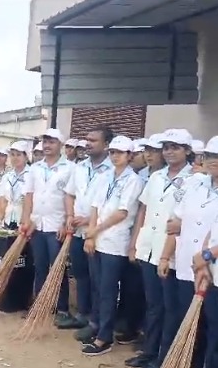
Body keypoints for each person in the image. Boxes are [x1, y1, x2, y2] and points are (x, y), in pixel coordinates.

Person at [127, 128, 194, 368]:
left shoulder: (194, 180)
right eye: (166, 147)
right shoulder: (156, 177)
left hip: (171, 253)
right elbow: (143, 211)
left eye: (175, 147)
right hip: (149, 248)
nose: (169, 152)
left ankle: (164, 357)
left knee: (169, 308)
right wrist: (135, 243)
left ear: (187, 150)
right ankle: (148, 352)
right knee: (153, 305)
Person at [81, 136, 143, 356]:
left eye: (120, 152)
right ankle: (97, 326)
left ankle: (104, 338)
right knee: (97, 288)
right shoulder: (105, 176)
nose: (115, 156)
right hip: (97, 240)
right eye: (112, 152)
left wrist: (95, 231)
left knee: (108, 291)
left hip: (115, 242)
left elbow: (122, 213)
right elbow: (95, 206)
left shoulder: (133, 181)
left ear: (129, 156)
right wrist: (90, 236)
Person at [160, 135, 217, 368]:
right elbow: (176, 223)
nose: (214, 160)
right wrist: (165, 255)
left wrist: (205, 257)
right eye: (211, 155)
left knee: (213, 329)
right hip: (188, 267)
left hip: (210, 269)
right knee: (189, 323)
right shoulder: (195, 183)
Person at [21, 128, 79, 328]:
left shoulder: (70, 168)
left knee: (58, 268)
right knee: (40, 267)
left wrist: (66, 222)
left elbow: (70, 197)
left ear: (60, 145)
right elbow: (28, 195)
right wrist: (25, 220)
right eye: (45, 142)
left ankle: (62, 308)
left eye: (52, 142)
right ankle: (40, 304)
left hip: (57, 226)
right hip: (38, 224)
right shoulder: (35, 168)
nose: (47, 146)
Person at [65, 127, 115, 339]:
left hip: (99, 234)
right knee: (81, 275)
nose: (88, 143)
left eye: (93, 140)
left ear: (106, 144)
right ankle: (82, 314)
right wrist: (70, 216)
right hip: (77, 231)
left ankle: (97, 321)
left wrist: (88, 221)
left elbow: (112, 207)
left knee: (98, 280)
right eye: (87, 138)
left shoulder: (113, 169)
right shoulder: (80, 167)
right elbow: (69, 194)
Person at [191, 170, 218, 368]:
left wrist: (207, 256)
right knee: (212, 330)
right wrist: (203, 261)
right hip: (214, 275)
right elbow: (214, 230)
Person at [0, 140, 30, 229]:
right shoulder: (7, 176)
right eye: (12, 155)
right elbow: (2, 199)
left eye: (18, 155)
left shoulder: (32, 175)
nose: (15, 158)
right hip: (8, 221)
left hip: (25, 223)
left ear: (26, 157)